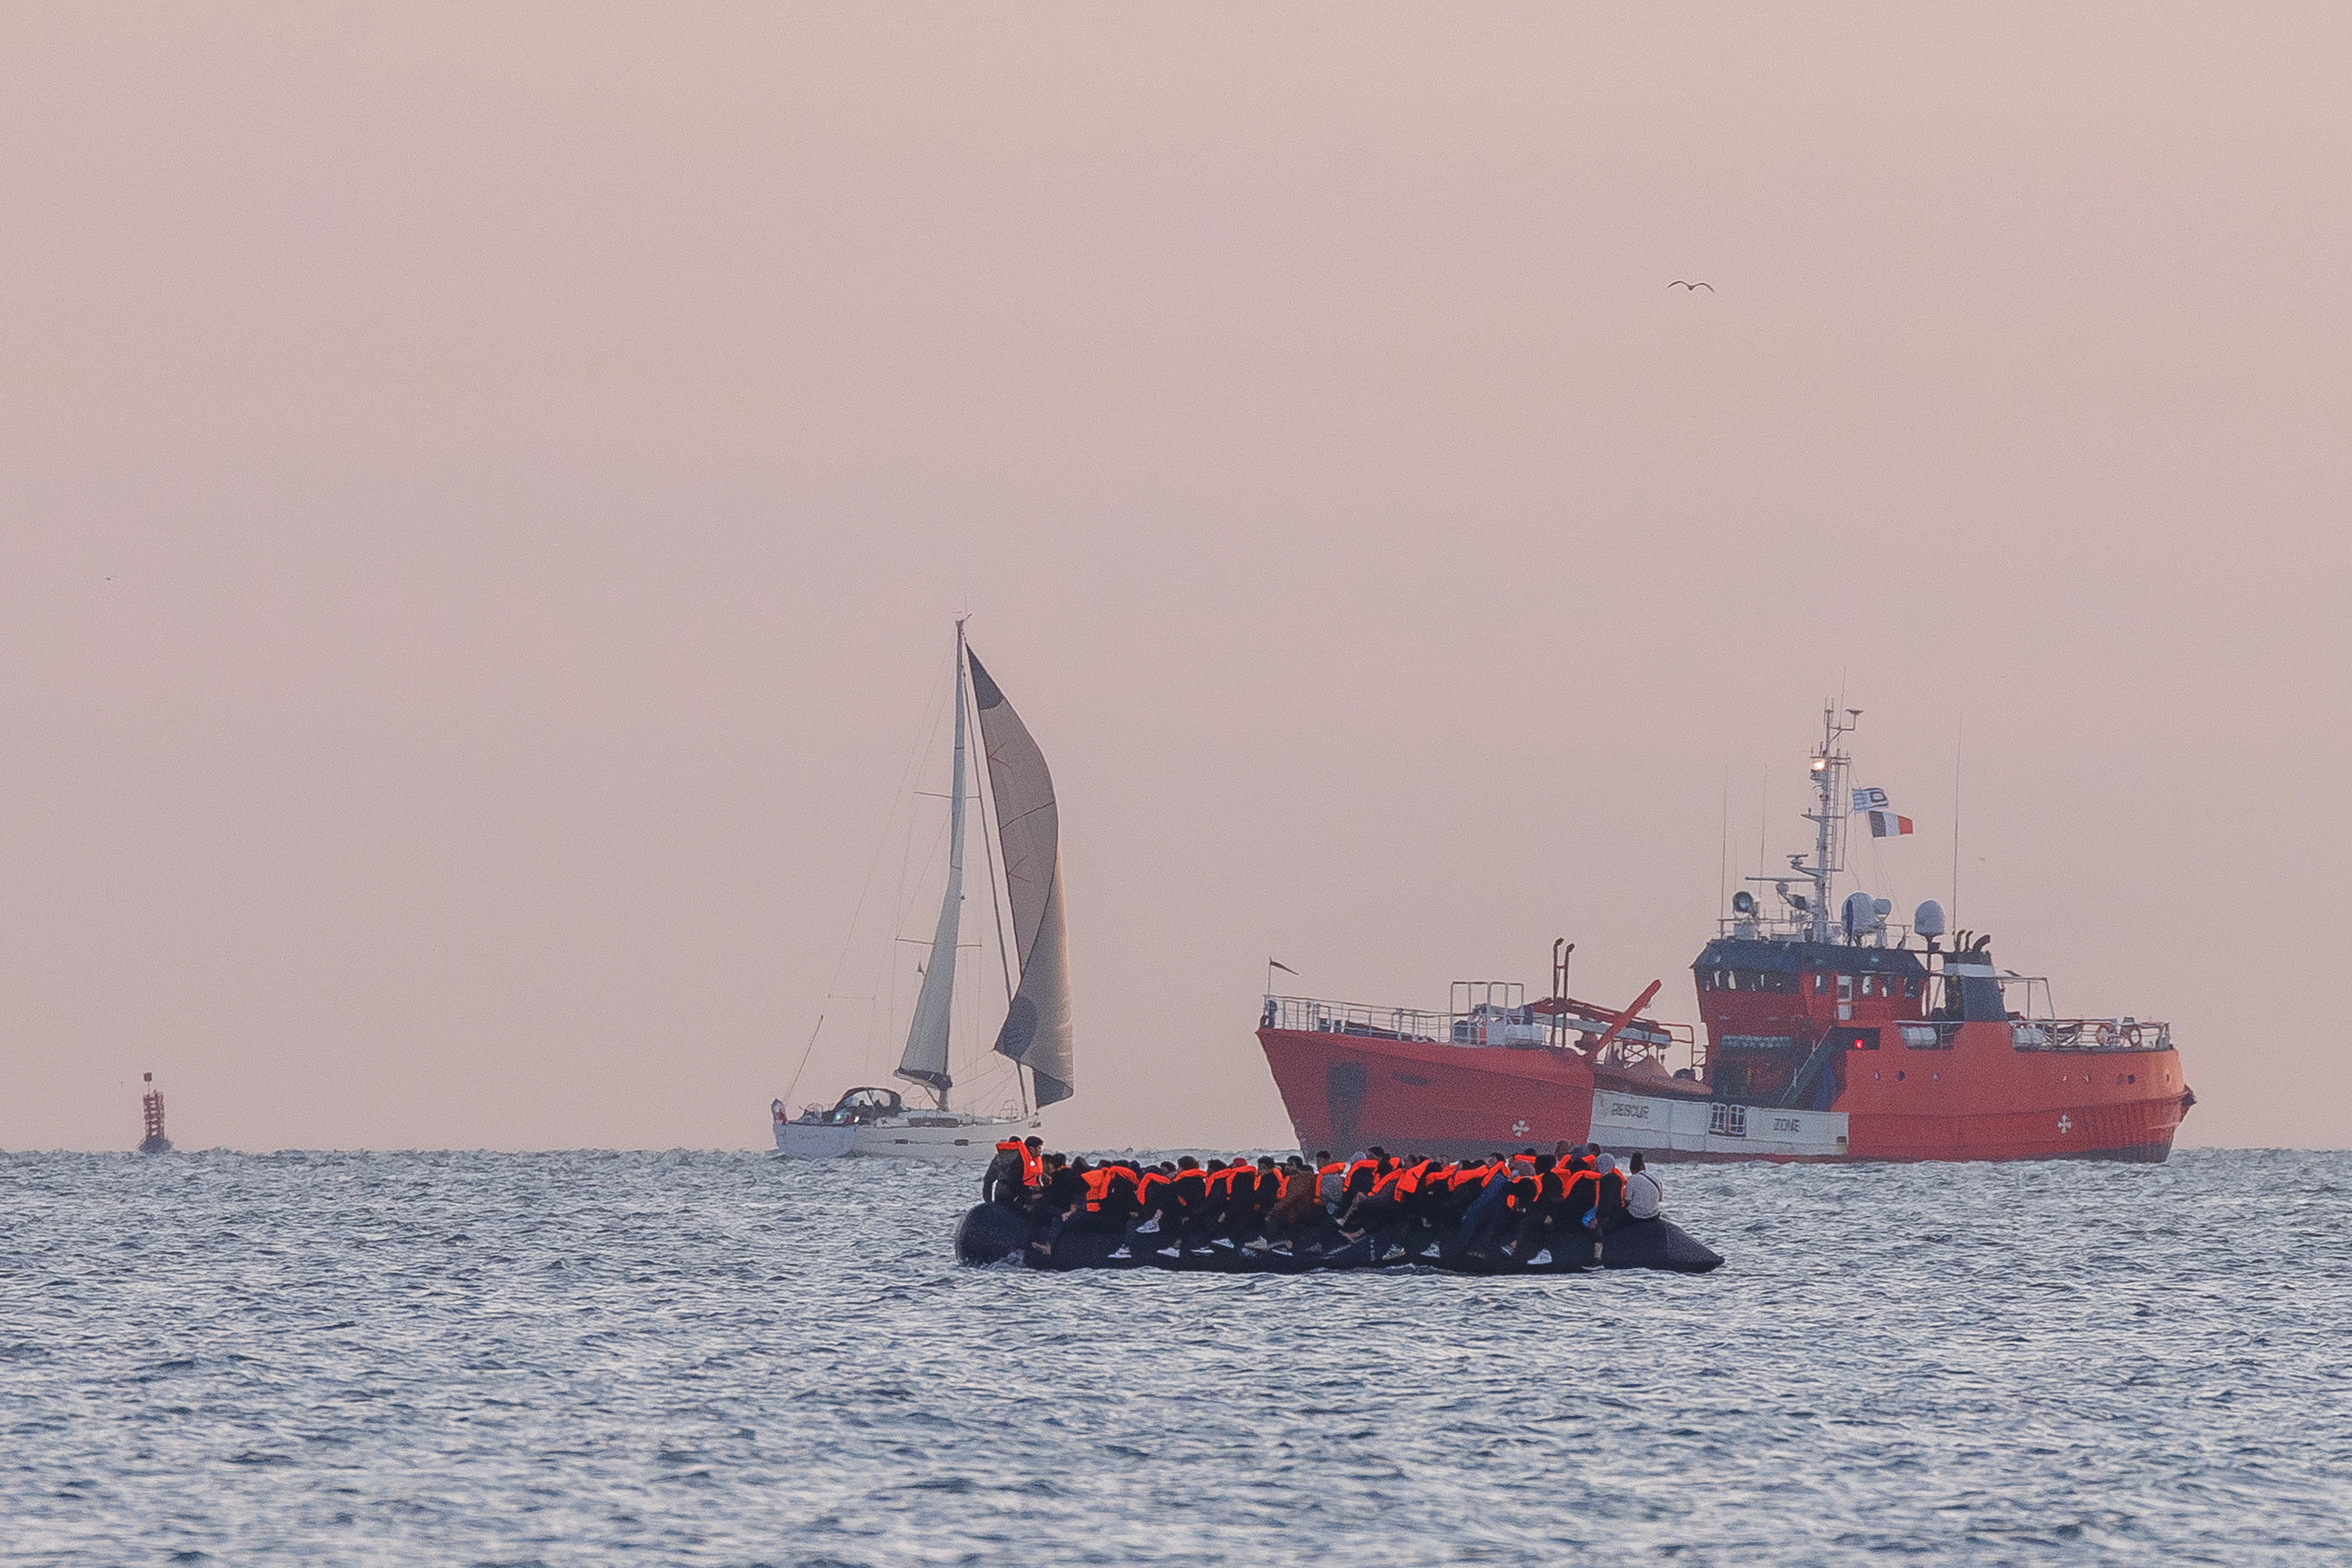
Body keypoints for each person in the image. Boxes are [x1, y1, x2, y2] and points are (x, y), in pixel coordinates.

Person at [1624, 1151, 1663, 1221]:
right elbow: (1659, 1200)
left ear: (1632, 1170)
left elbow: (1627, 1200)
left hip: (1638, 1215)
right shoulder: (1656, 1179)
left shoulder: (1633, 1179)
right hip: (1653, 1214)